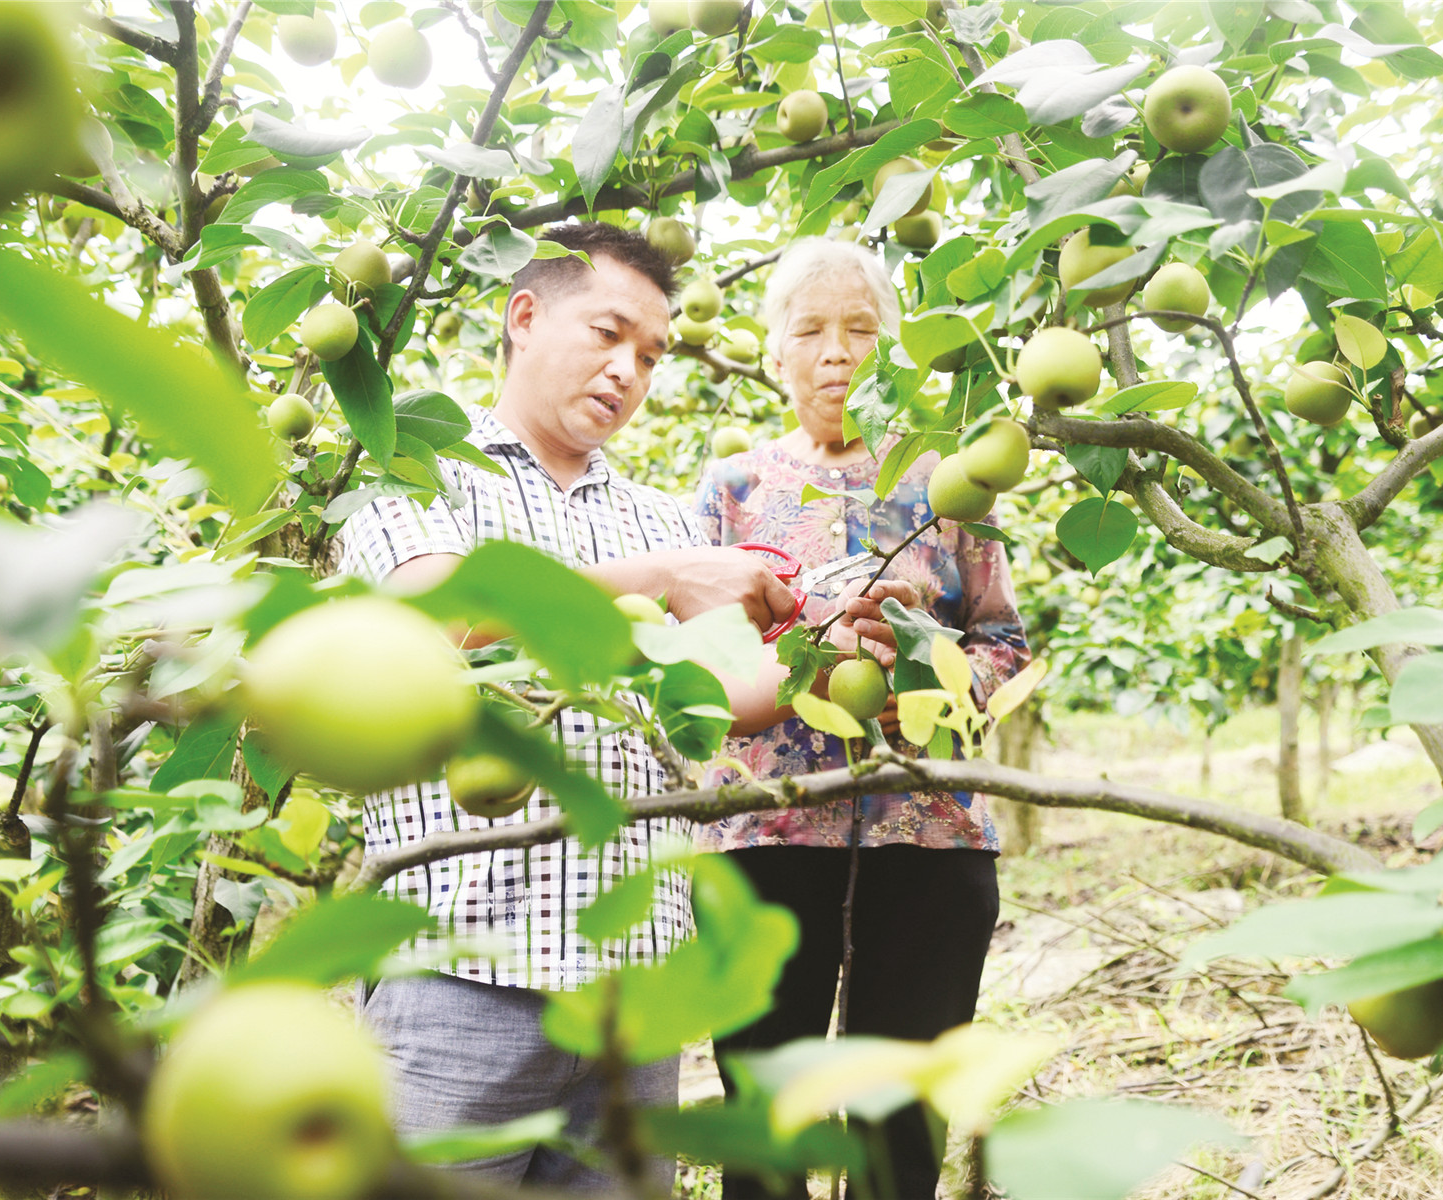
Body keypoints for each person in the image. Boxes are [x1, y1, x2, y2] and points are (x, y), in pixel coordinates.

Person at [337, 222, 830, 1192]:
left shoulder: (658, 514)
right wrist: (662, 577)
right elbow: (438, 611)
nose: (628, 372)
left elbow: (721, 699)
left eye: (649, 355)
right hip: (458, 981)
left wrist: (827, 657)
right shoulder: (421, 468)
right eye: (607, 334)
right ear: (524, 316)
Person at [692, 239, 1030, 1200]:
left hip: (926, 833)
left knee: (899, 1139)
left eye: (861, 331)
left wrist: (927, 660)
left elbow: (1006, 648)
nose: (836, 353)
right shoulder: (732, 488)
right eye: (810, 331)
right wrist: (793, 657)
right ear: (775, 356)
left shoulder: (950, 485)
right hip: (767, 831)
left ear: (893, 352)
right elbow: (693, 670)